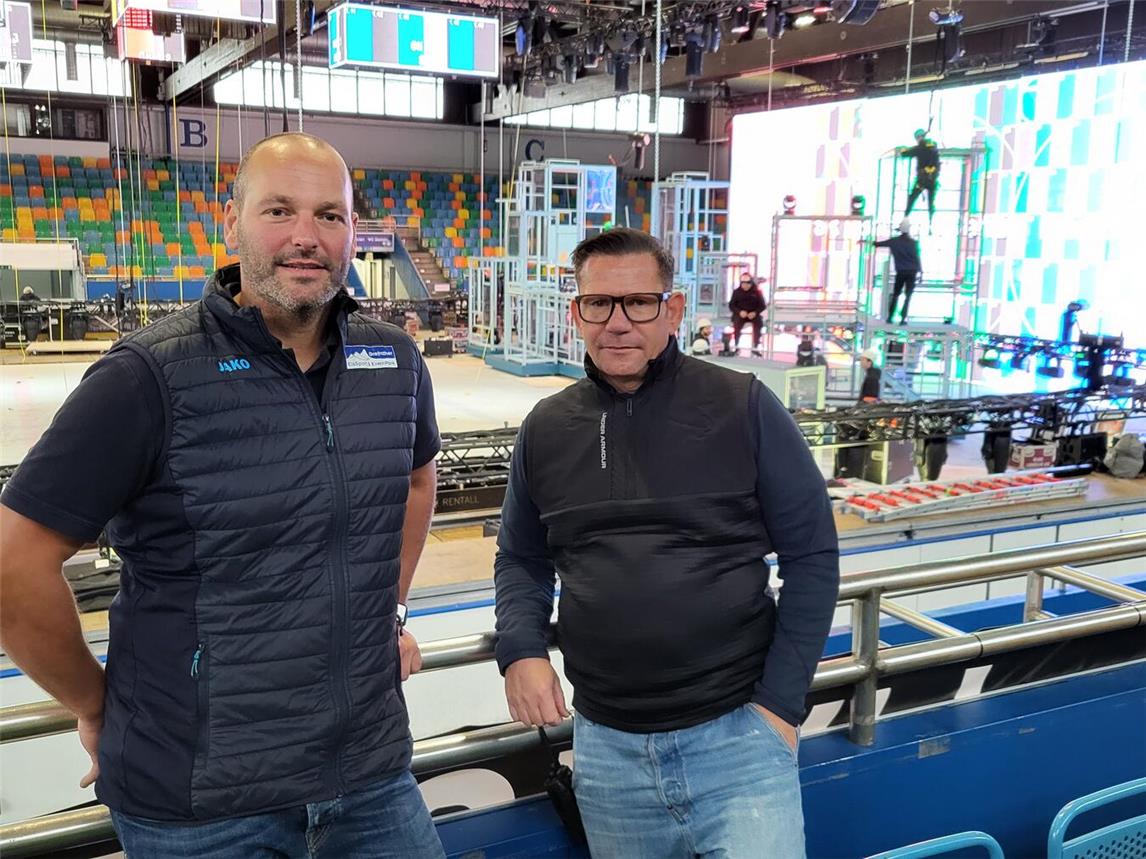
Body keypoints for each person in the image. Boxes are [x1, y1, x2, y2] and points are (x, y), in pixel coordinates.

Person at [0, 133, 446, 858]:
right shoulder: (148, 376)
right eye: (280, 210)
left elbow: (417, 478)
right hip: (203, 806)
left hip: (367, 773)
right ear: (231, 224)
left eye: (330, 216)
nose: (307, 236)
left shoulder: (392, 360)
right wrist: (92, 701)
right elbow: (12, 563)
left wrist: (385, 608)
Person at [493, 227, 840, 858]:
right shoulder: (546, 428)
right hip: (606, 752)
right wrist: (521, 649)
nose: (618, 323)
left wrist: (780, 708)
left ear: (672, 310)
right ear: (577, 313)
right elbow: (520, 557)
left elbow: (813, 556)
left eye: (639, 303)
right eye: (599, 304)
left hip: (739, 739)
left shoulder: (744, 408)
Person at [873, 219, 922, 324]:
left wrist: (867, 241)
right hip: (912, 271)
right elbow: (917, 258)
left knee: (896, 294)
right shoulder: (913, 243)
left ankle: (890, 317)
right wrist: (921, 272)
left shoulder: (894, 242)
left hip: (901, 271)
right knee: (908, 296)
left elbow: (877, 244)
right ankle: (903, 318)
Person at [900, 128, 941, 221]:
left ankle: (905, 219)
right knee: (931, 202)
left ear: (918, 137)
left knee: (911, 199)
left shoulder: (920, 148)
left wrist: (903, 149)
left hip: (922, 180)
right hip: (932, 180)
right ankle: (931, 222)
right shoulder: (933, 147)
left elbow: (905, 153)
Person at [729, 272, 766, 354]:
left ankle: (755, 347)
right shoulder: (736, 292)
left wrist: (755, 312)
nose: (745, 286)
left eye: (747, 284)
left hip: (753, 314)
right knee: (737, 324)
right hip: (740, 314)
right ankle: (736, 346)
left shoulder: (757, 292)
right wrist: (739, 312)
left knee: (758, 324)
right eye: (743, 284)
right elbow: (731, 305)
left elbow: (762, 305)